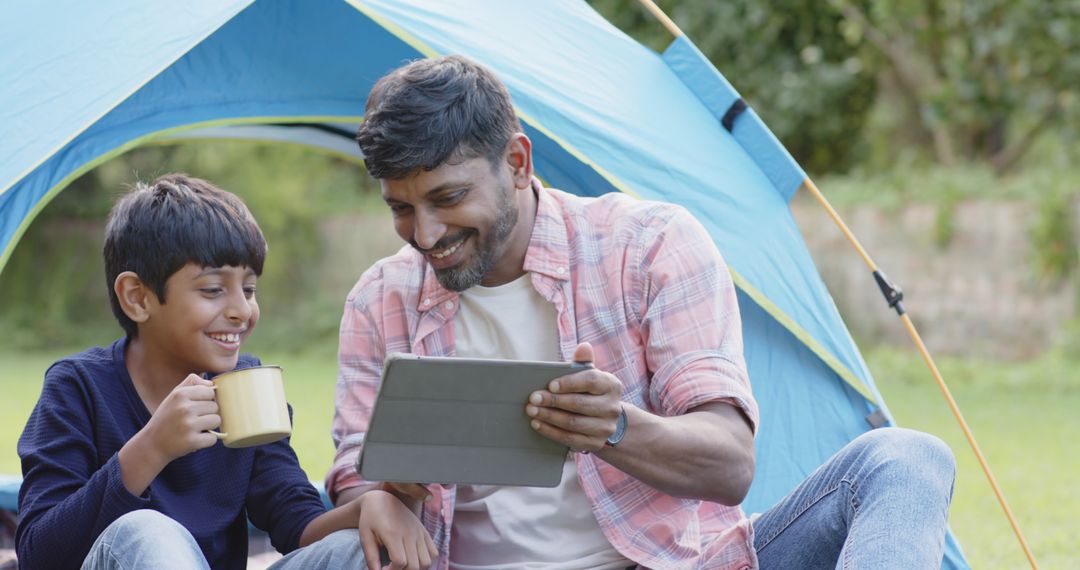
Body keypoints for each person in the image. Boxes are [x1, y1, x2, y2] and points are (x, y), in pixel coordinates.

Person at [327, 55, 957, 570]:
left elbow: (730, 462)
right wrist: (385, 494)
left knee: (906, 460)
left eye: (448, 198)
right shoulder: (380, 300)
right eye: (401, 209)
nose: (427, 233)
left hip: (675, 563)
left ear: (517, 163)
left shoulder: (648, 245)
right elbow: (354, 484)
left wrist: (613, 428)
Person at [16, 174, 435, 570]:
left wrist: (366, 507)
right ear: (137, 298)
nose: (242, 310)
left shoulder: (246, 388)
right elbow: (39, 553)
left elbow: (297, 525)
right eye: (213, 289)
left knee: (352, 549)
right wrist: (151, 448)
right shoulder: (77, 389)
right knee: (145, 532)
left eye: (249, 289)